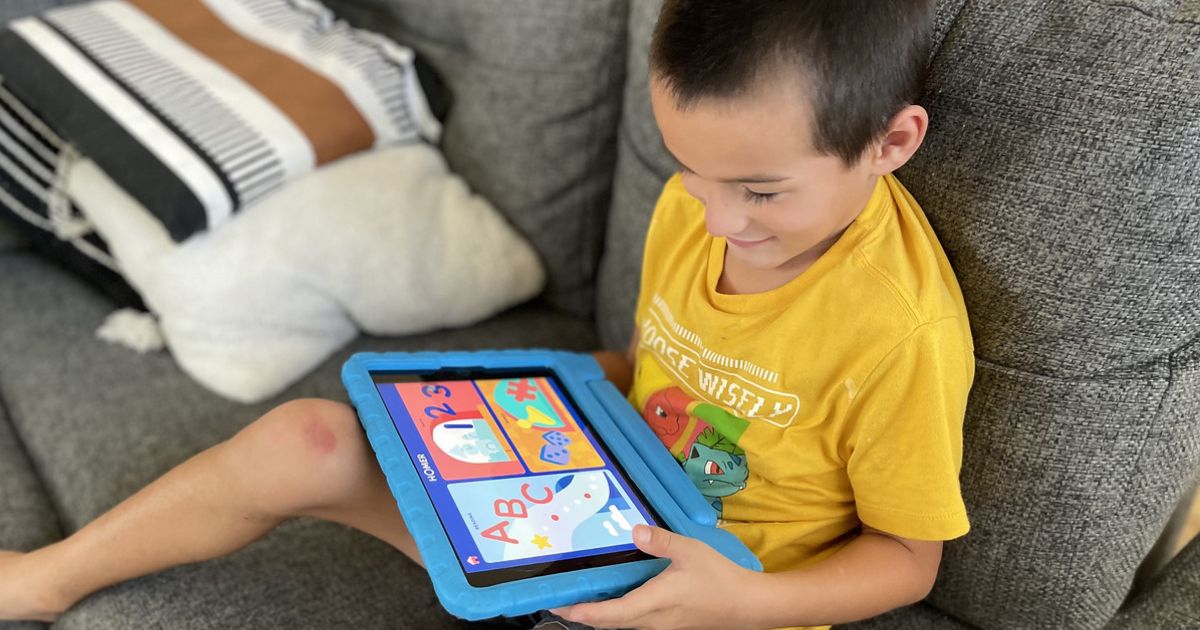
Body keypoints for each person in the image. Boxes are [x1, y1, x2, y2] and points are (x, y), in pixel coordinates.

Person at [0, 1, 972, 629]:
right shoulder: (704, 207)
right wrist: (517, 402)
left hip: (714, 596)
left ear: (891, 141)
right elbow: (651, 361)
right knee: (306, 437)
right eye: (688, 169)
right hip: (575, 509)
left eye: (761, 191)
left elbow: (906, 561)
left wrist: (746, 599)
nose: (716, 217)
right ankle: (47, 578)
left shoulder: (898, 335)